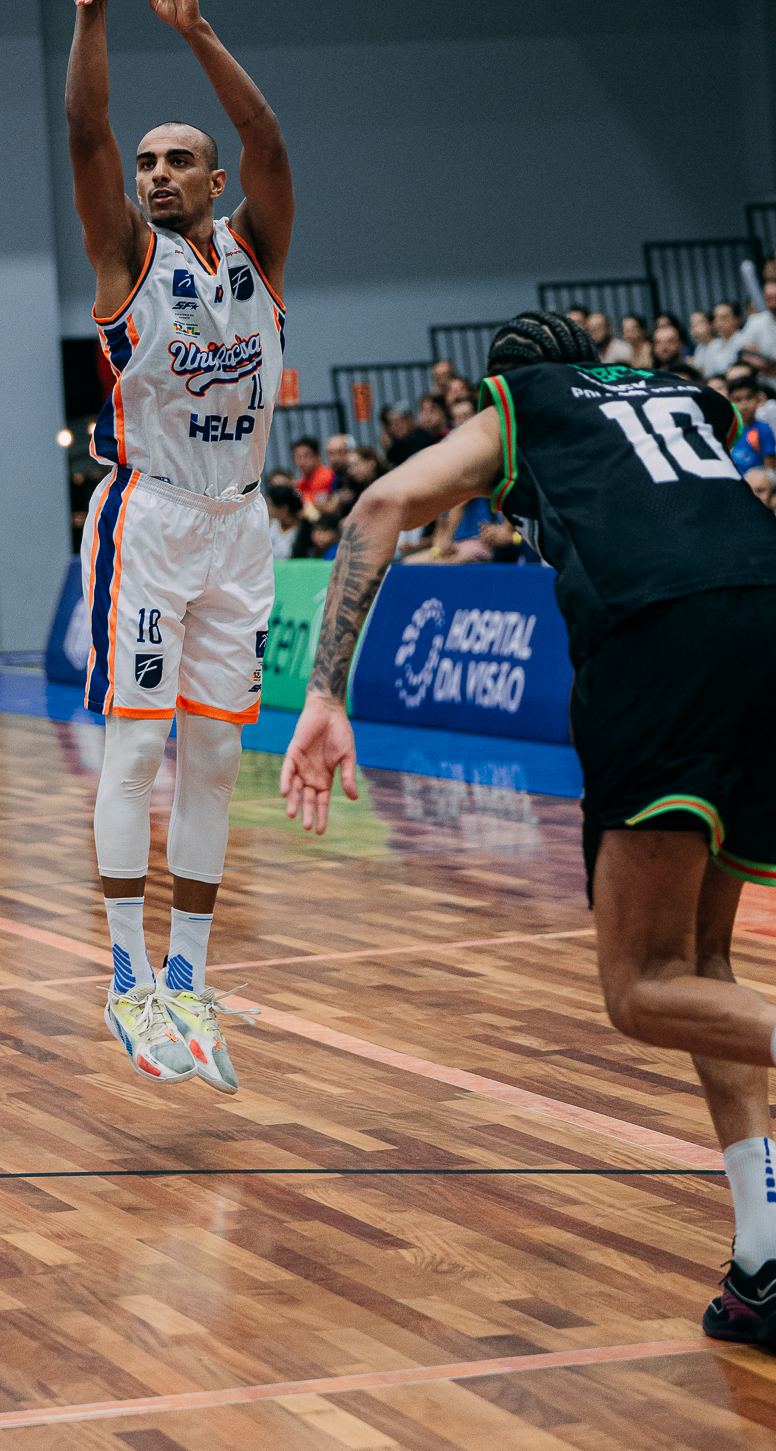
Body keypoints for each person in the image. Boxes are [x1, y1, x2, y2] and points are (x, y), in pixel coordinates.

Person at [279, 310, 776, 1349]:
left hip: (661, 629)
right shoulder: (684, 395)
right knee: (703, 967)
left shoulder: (528, 401)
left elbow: (382, 502)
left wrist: (325, 693)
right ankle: (765, 1256)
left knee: (640, 990)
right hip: (764, 605)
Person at [65, 0, 291, 1094]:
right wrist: (94, 18)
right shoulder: (126, 258)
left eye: (178, 161)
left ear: (214, 183)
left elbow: (269, 139)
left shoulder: (258, 250)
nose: (155, 172)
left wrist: (197, 31)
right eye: (148, 160)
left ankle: (191, 974)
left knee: (215, 755)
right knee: (139, 745)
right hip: (149, 521)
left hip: (240, 527)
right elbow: (85, 133)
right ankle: (125, 972)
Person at [725, 377, 776, 476]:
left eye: (749, 398)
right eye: (738, 400)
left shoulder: (763, 430)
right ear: (730, 402)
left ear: (758, 398)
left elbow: (770, 469)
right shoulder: (726, 431)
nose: (745, 404)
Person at [737, 277, 776, 377]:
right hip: (765, 381)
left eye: (774, 297)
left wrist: (765, 360)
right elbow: (747, 354)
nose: (772, 302)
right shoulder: (755, 321)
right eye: (768, 298)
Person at [652, 313, 702, 383]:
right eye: (658, 342)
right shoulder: (650, 376)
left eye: (670, 341)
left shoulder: (695, 371)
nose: (663, 347)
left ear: (681, 344)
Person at [707, 300, 747, 377]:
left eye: (723, 318)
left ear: (738, 319)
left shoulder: (744, 341)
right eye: (716, 318)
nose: (718, 323)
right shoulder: (713, 345)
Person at [291, 437, 332, 507]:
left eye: (306, 456)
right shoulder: (304, 479)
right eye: (298, 457)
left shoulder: (325, 476)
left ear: (317, 456)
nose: (302, 462)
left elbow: (315, 503)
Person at [268, 484, 305, 558]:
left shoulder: (303, 530)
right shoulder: (271, 525)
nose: (268, 507)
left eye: (270, 504)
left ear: (284, 508)